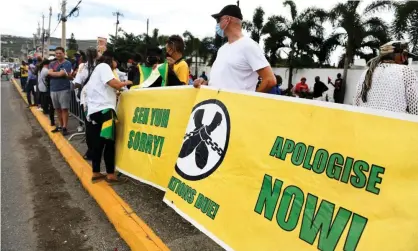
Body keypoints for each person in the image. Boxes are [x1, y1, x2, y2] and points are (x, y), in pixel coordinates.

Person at [194, 5, 276, 92]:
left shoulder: (248, 45)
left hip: (236, 105)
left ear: (227, 20)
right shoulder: (222, 49)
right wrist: (205, 83)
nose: (217, 24)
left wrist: (250, 102)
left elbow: (270, 80)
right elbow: (222, 81)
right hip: (216, 104)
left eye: (218, 20)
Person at [85, 50, 132, 183]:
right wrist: (127, 83)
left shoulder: (96, 70)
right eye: (116, 60)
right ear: (111, 59)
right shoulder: (105, 67)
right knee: (109, 143)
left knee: (97, 143)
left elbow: (105, 89)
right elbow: (115, 84)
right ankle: (111, 174)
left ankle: (96, 172)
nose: (116, 63)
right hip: (106, 112)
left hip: (94, 112)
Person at [354, 41, 418, 115]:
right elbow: (415, 109)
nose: (406, 60)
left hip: (366, 123)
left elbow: (356, 104)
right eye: (406, 56)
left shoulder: (365, 73)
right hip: (393, 125)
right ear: (401, 56)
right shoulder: (406, 71)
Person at [73, 47, 98, 160]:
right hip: (99, 100)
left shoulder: (83, 67)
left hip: (87, 101)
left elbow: (77, 83)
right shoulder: (102, 66)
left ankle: (91, 151)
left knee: (89, 126)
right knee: (97, 126)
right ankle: (97, 150)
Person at [48, 47, 73, 135]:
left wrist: (55, 73)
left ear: (63, 53)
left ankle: (65, 127)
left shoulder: (67, 63)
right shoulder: (52, 63)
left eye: (60, 53)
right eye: (56, 53)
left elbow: (61, 74)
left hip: (64, 89)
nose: (58, 55)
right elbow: (49, 73)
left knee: (64, 108)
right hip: (53, 89)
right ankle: (60, 125)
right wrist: (57, 73)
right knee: (57, 109)